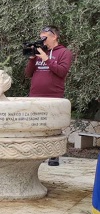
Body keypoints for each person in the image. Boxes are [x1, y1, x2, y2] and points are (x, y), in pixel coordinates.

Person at [25, 25, 72, 166]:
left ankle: (54, 155)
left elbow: (62, 71)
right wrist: (33, 59)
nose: (42, 40)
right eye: (41, 37)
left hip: (54, 95)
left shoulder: (64, 52)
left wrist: (46, 59)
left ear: (54, 36)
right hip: (35, 95)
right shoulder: (40, 53)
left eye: (45, 37)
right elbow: (28, 74)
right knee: (35, 126)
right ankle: (37, 152)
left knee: (54, 126)